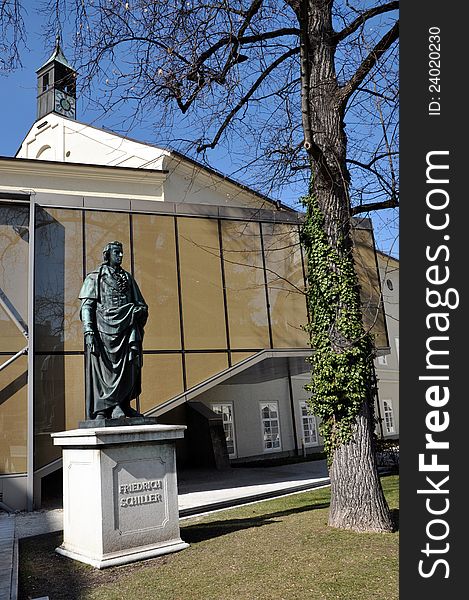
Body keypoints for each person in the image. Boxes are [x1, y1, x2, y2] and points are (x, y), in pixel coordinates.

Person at [78, 241, 148, 420]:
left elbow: (141, 303)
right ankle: (107, 407)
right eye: (117, 252)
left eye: (122, 252)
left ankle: (124, 403)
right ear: (107, 254)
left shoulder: (128, 277)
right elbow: (87, 306)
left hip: (126, 330)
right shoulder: (95, 277)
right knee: (107, 370)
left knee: (128, 367)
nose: (121, 255)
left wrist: (139, 310)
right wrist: (89, 331)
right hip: (104, 330)